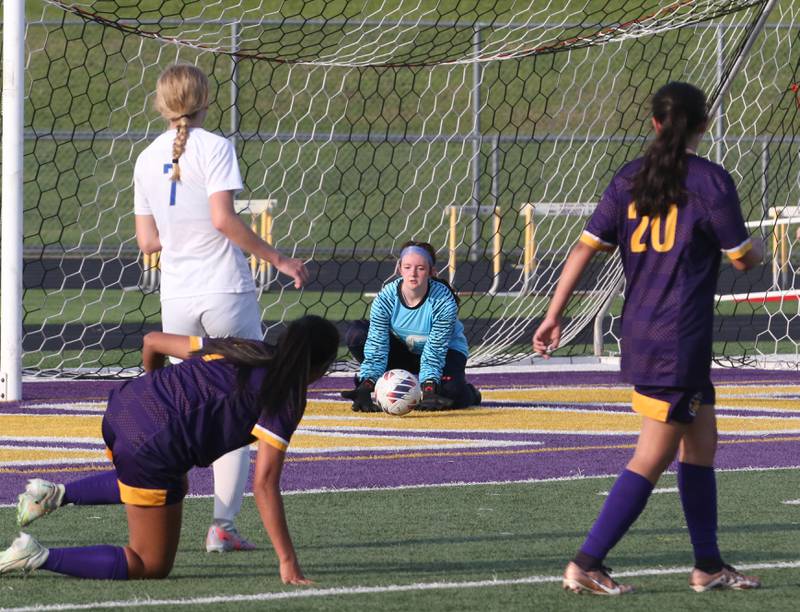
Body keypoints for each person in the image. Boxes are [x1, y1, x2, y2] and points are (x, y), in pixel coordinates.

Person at [532, 82, 763, 595]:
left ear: (655, 123)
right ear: (704, 125)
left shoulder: (629, 178)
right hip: (677, 341)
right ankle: (587, 561)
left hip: (647, 333)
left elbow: (582, 249)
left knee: (700, 445)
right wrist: (759, 248)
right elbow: (743, 259)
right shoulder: (709, 181)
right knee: (652, 456)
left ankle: (708, 565)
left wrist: (553, 315)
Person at [0, 315, 339, 583]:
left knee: (166, 483)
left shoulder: (244, 347)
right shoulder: (287, 395)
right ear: (320, 370)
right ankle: (36, 554)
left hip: (123, 408)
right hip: (150, 444)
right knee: (149, 563)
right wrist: (288, 561)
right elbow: (264, 484)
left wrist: (154, 391)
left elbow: (152, 342)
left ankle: (52, 494)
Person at [133, 64, 309, 552]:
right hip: (225, 291)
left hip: (178, 297)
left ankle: (158, 517)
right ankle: (222, 526)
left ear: (162, 103)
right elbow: (223, 219)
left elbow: (148, 240)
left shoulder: (146, 158)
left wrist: (179, 241)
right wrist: (278, 258)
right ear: (204, 99)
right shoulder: (215, 147)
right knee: (241, 408)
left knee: (185, 409)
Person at [342, 240, 481, 412]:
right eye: (407, 267)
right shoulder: (385, 298)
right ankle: (378, 384)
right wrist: (367, 384)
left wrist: (430, 389)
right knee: (357, 334)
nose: (413, 274)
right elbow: (377, 344)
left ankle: (470, 393)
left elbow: (435, 350)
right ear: (400, 269)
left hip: (445, 353)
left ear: (432, 272)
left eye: (420, 268)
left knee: (450, 394)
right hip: (405, 351)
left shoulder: (444, 301)